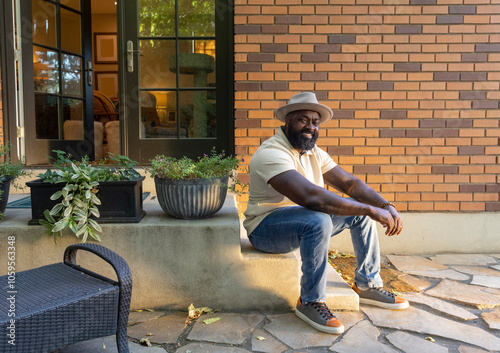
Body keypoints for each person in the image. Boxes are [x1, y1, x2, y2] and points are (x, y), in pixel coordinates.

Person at [243, 92, 409, 335]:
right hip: (266, 229)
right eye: (303, 120)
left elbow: (350, 183)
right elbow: (311, 197)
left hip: (304, 220)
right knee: (321, 217)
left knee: (359, 213)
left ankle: (368, 284)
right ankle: (310, 302)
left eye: (315, 121)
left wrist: (385, 206)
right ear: (287, 121)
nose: (310, 127)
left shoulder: (313, 152)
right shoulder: (271, 152)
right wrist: (369, 208)